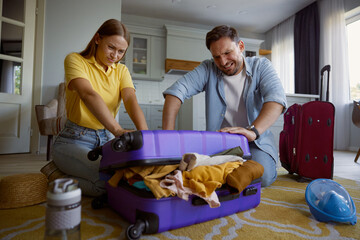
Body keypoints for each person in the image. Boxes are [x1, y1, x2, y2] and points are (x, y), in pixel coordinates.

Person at [162, 25, 287, 187]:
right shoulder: (208, 68)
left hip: (255, 141)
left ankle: (229, 169)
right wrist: (167, 137)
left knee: (263, 177)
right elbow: (175, 92)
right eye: (217, 57)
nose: (223, 62)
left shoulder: (261, 66)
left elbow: (276, 100)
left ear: (240, 46)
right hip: (219, 143)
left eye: (227, 53)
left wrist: (252, 131)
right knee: (191, 169)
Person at [52, 19, 148, 196]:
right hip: (73, 140)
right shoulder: (75, 60)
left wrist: (146, 136)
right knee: (105, 185)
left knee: (128, 176)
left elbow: (130, 99)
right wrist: (118, 129)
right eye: (111, 47)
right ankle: (55, 179)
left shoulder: (121, 71)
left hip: (105, 138)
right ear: (97, 39)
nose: (115, 55)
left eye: (121, 51)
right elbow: (89, 94)